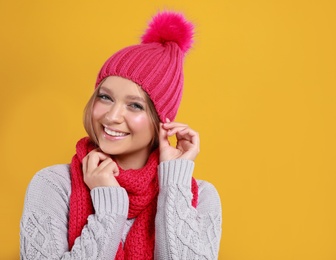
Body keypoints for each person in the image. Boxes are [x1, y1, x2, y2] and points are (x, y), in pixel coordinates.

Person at [20, 11, 222, 260]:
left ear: (162, 121)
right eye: (105, 97)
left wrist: (175, 183)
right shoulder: (54, 185)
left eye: (135, 105)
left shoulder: (199, 196)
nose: (112, 116)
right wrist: (109, 206)